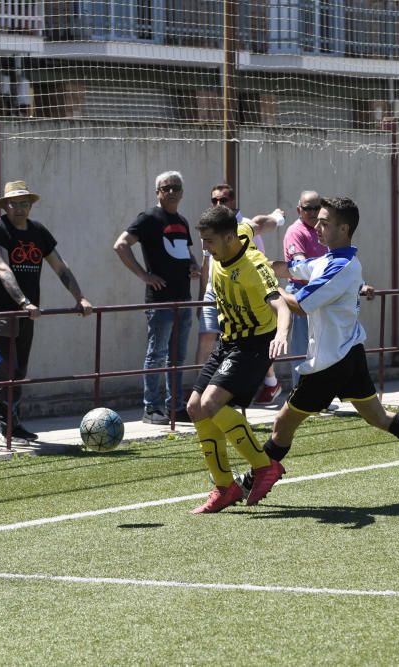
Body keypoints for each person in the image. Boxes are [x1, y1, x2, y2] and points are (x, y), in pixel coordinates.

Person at [256, 196, 399, 499]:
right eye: (317, 221)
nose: (317, 227)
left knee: (282, 422)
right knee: (380, 418)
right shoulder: (329, 259)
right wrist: (259, 264)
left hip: (330, 362)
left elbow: (300, 305)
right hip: (349, 354)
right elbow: (295, 268)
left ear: (344, 228)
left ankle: (251, 479)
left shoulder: (341, 266)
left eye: (325, 223)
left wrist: (266, 289)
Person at [187, 204, 292, 514]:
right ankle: (225, 487)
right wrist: (275, 219)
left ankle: (264, 466)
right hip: (228, 341)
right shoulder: (236, 233)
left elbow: (282, 306)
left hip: (254, 344)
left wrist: (282, 334)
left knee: (211, 404)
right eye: (202, 241)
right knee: (195, 407)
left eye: (210, 242)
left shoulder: (254, 268)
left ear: (229, 238)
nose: (205, 249)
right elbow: (253, 224)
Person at [0, 180, 93, 443]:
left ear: (30, 205)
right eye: (13, 203)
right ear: (5, 206)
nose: (19, 208)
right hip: (2, 310)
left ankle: (15, 425)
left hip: (28, 312)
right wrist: (23, 302)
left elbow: (60, 267)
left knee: (19, 370)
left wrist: (81, 298)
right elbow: (1, 268)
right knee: (5, 368)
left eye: (24, 203)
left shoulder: (38, 232)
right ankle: (5, 428)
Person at [114, 171, 200, 425]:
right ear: (158, 193)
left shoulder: (182, 221)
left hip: (183, 298)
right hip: (160, 301)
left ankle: (175, 407)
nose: (171, 191)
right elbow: (121, 245)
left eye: (175, 187)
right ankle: (151, 409)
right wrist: (144, 275)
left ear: (182, 191)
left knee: (178, 357)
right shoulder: (149, 218)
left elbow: (187, 252)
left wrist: (194, 266)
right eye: (166, 188)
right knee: (157, 355)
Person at [194, 183, 285, 404]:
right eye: (214, 200)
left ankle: (269, 381)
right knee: (197, 406)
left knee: (212, 405)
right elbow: (207, 263)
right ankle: (202, 387)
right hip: (222, 307)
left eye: (223, 200)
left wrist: (277, 218)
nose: (218, 204)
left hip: (251, 313)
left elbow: (260, 223)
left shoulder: (247, 248)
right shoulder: (213, 236)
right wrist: (201, 296)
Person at [282, 190, 325, 389]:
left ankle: (318, 394)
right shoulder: (295, 231)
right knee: (302, 348)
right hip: (301, 292)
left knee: (320, 347)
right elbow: (300, 267)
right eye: (308, 208)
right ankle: (301, 396)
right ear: (299, 209)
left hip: (321, 292)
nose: (313, 212)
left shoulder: (322, 230)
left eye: (317, 207)